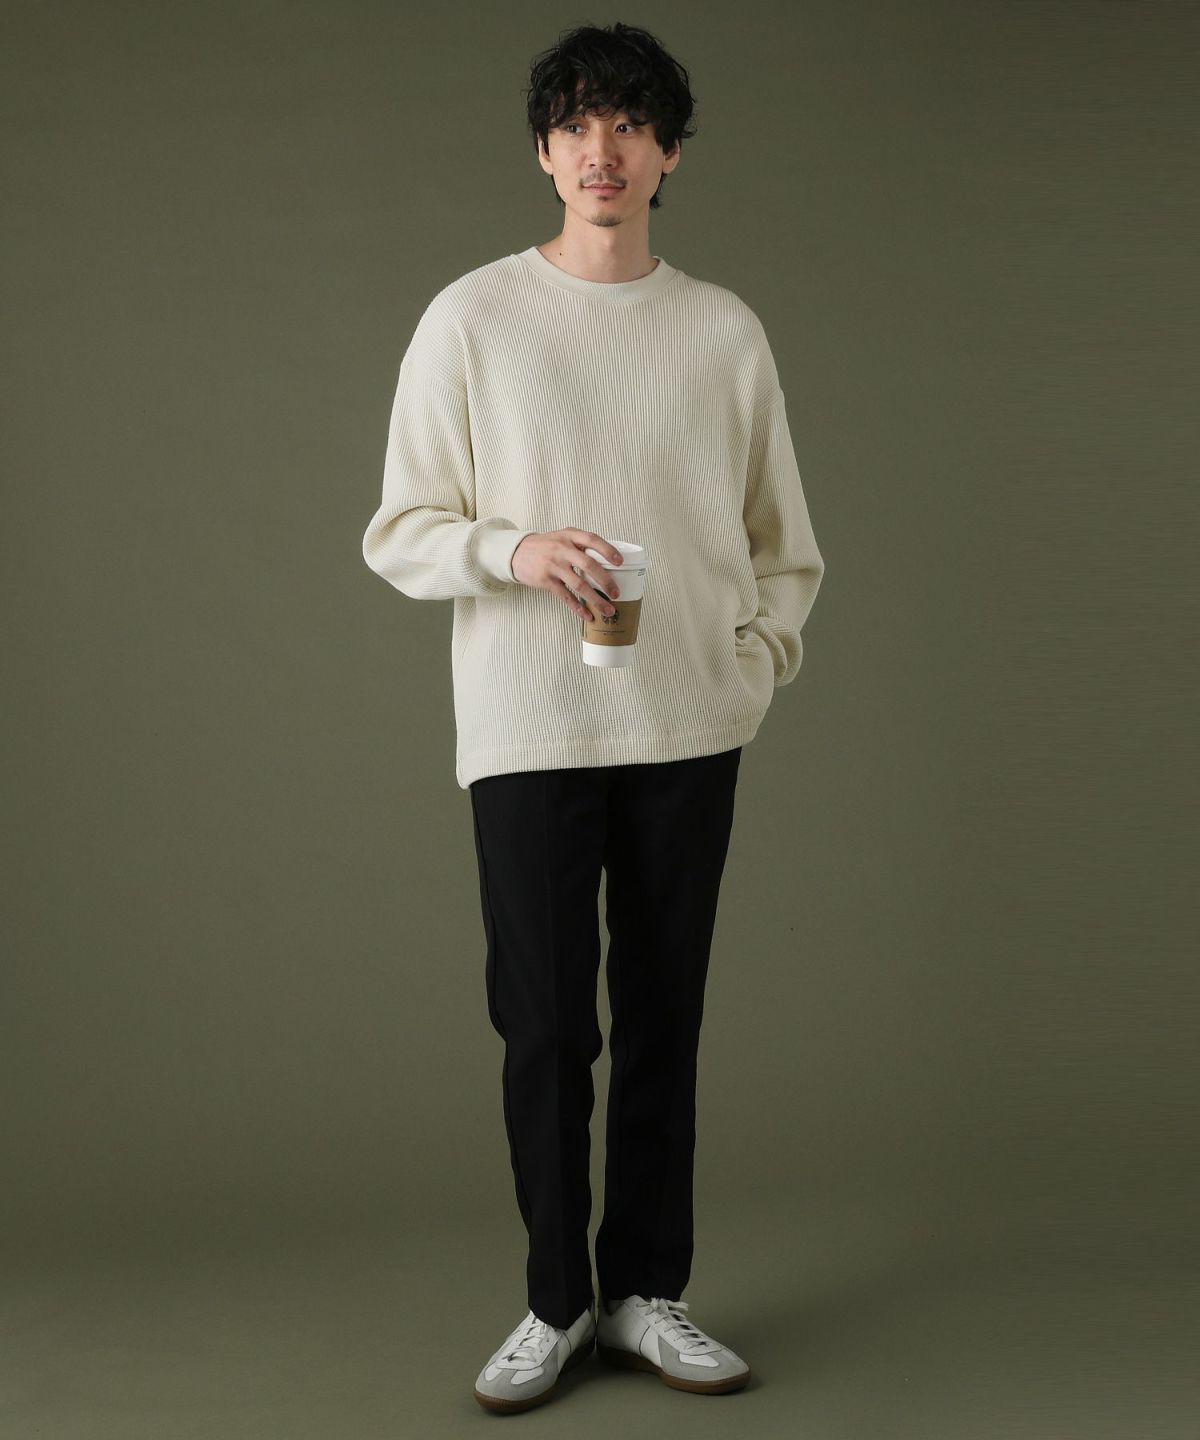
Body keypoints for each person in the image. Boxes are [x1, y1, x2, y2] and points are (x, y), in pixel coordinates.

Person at [361, 21, 825, 1414]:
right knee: (547, 1026)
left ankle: (647, 1294)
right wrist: (513, 549)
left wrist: (751, 667)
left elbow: (783, 544)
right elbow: (398, 528)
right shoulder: (472, 317)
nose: (599, 149)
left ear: (669, 153)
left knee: (668, 1015)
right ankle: (556, 1302)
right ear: (542, 150)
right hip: (528, 723)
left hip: (691, 723)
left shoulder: (723, 329)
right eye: (574, 123)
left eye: (628, 123)